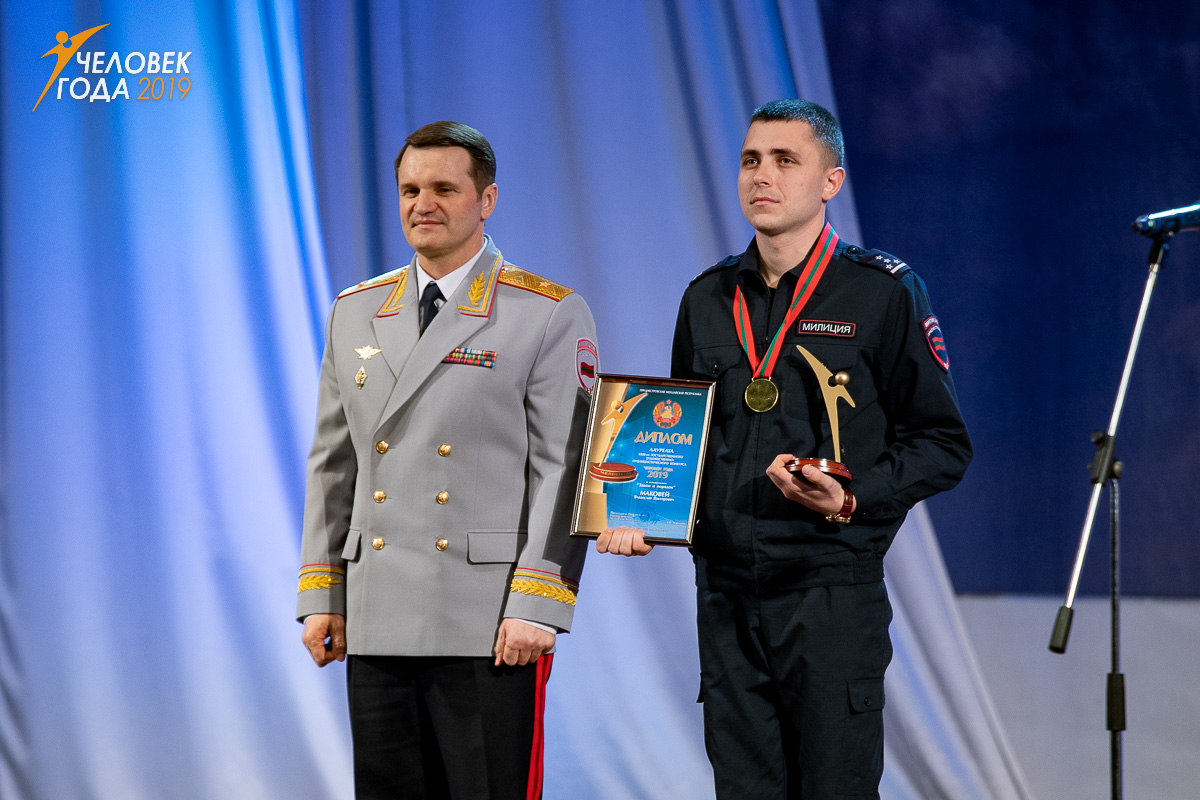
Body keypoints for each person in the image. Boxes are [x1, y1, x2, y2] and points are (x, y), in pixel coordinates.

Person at [597, 99, 972, 799]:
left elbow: (943, 444)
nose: (761, 175)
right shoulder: (707, 297)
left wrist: (851, 497)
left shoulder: (882, 292)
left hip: (829, 595)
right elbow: (680, 438)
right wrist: (640, 510)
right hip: (727, 600)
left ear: (830, 182)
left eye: (784, 160)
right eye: (750, 159)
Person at [297, 121, 596, 799]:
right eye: (410, 190)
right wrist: (322, 594)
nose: (422, 204)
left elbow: (564, 468)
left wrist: (538, 602)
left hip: (486, 619)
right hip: (375, 611)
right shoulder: (355, 310)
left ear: (486, 200)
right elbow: (332, 465)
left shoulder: (546, 312)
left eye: (443, 189)